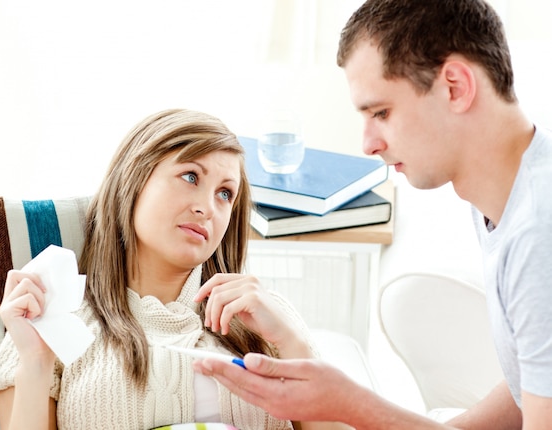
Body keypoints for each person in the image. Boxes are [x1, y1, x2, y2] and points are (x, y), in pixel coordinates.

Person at [193, 0, 552, 429]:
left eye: (381, 113)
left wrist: (351, 405)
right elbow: (529, 387)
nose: (368, 144)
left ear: (455, 86)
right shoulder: (511, 195)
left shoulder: (538, 234)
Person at [0, 108, 348, 430]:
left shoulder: (268, 318)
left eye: (225, 193)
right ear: (134, 180)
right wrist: (35, 361)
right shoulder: (49, 320)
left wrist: (290, 344)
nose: (207, 207)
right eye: (191, 176)